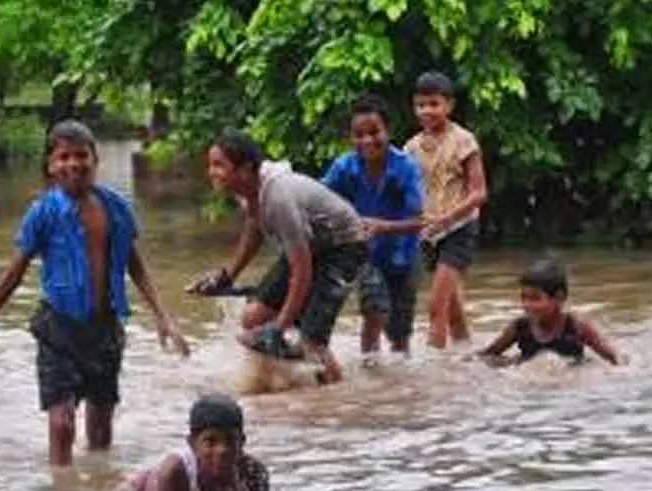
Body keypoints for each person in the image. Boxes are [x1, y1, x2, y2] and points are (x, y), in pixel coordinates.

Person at [0, 120, 190, 467]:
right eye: (63, 157)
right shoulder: (42, 213)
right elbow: (14, 273)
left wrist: (163, 316)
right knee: (62, 423)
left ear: (95, 159)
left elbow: (135, 264)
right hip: (58, 327)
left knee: (100, 434)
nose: (73, 164)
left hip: (105, 328)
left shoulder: (116, 207)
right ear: (51, 166)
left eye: (81, 155)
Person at [186, 129, 368, 383]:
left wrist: (280, 325)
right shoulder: (249, 191)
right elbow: (254, 227)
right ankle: (278, 387)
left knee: (312, 341)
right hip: (311, 244)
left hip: (344, 247)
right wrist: (227, 276)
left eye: (219, 165)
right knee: (252, 319)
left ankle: (334, 398)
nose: (211, 173)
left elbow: (301, 268)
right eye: (210, 165)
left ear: (245, 169)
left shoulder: (279, 197)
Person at [321, 93, 425, 359]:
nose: (367, 140)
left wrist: (383, 226)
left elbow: (421, 221)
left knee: (400, 331)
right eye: (359, 134)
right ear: (350, 137)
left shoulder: (406, 168)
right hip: (364, 253)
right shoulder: (344, 167)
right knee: (373, 308)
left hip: (404, 255)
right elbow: (318, 199)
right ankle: (370, 369)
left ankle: (397, 383)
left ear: (388, 131)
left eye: (374, 132)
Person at [403, 71, 488, 350]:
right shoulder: (411, 148)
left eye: (434, 104)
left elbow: (479, 193)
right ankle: (466, 356)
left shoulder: (464, 141)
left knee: (435, 306)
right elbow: (407, 192)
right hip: (427, 232)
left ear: (449, 105)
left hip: (459, 228)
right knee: (451, 307)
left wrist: (447, 218)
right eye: (421, 105)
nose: (427, 110)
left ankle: (434, 376)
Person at [128, 393, 270, 491]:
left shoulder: (254, 473)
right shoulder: (173, 472)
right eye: (210, 441)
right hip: (142, 488)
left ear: (242, 442)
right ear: (192, 444)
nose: (222, 450)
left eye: (230, 440)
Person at [476, 259, 620, 366]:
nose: (527, 305)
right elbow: (488, 355)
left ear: (559, 298)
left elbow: (613, 359)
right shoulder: (520, 327)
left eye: (534, 298)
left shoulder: (577, 326)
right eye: (523, 298)